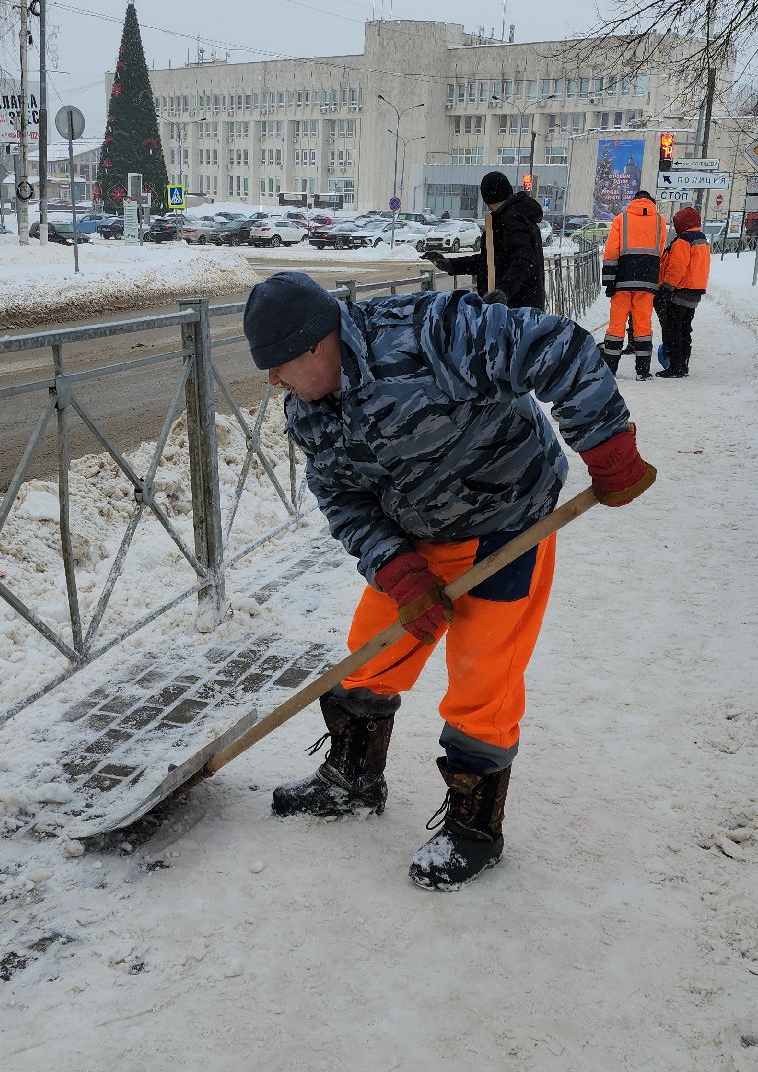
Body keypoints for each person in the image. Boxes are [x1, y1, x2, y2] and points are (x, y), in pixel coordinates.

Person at [242, 271, 656, 890]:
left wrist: (608, 445)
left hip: (507, 524)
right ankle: (354, 778)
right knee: (366, 656)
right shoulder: (308, 411)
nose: (273, 380)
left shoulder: (425, 335)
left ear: (314, 345)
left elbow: (555, 347)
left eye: (276, 364)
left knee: (482, 684)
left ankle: (473, 829)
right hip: (416, 538)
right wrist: (396, 568)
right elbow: (341, 499)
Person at [424, 171, 548, 310]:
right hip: (520, 306)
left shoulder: (511, 220)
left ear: (488, 198)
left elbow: (523, 260)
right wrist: (452, 265)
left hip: (514, 309)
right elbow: (490, 262)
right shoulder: (515, 216)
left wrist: (504, 291)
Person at [600, 187, 665, 379]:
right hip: (647, 281)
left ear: (634, 201)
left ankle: (610, 370)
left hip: (622, 279)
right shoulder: (660, 221)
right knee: (643, 326)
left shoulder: (621, 219)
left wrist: (609, 281)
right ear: (651, 202)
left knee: (616, 326)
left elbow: (611, 252)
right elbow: (659, 252)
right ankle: (642, 371)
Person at [654, 207, 711, 379]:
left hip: (679, 292)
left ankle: (675, 366)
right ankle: (684, 364)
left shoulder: (683, 241)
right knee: (685, 329)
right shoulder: (702, 240)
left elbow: (677, 268)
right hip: (694, 292)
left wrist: (666, 287)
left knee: (673, 330)